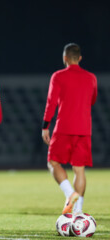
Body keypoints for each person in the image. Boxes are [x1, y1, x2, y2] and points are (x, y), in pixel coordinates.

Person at [42, 43, 97, 215]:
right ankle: (78, 211)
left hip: (64, 127)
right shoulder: (91, 77)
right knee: (79, 169)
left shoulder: (58, 76)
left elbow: (51, 102)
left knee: (53, 162)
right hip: (84, 129)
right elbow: (92, 100)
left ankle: (69, 193)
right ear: (80, 58)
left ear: (65, 58)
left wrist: (45, 126)